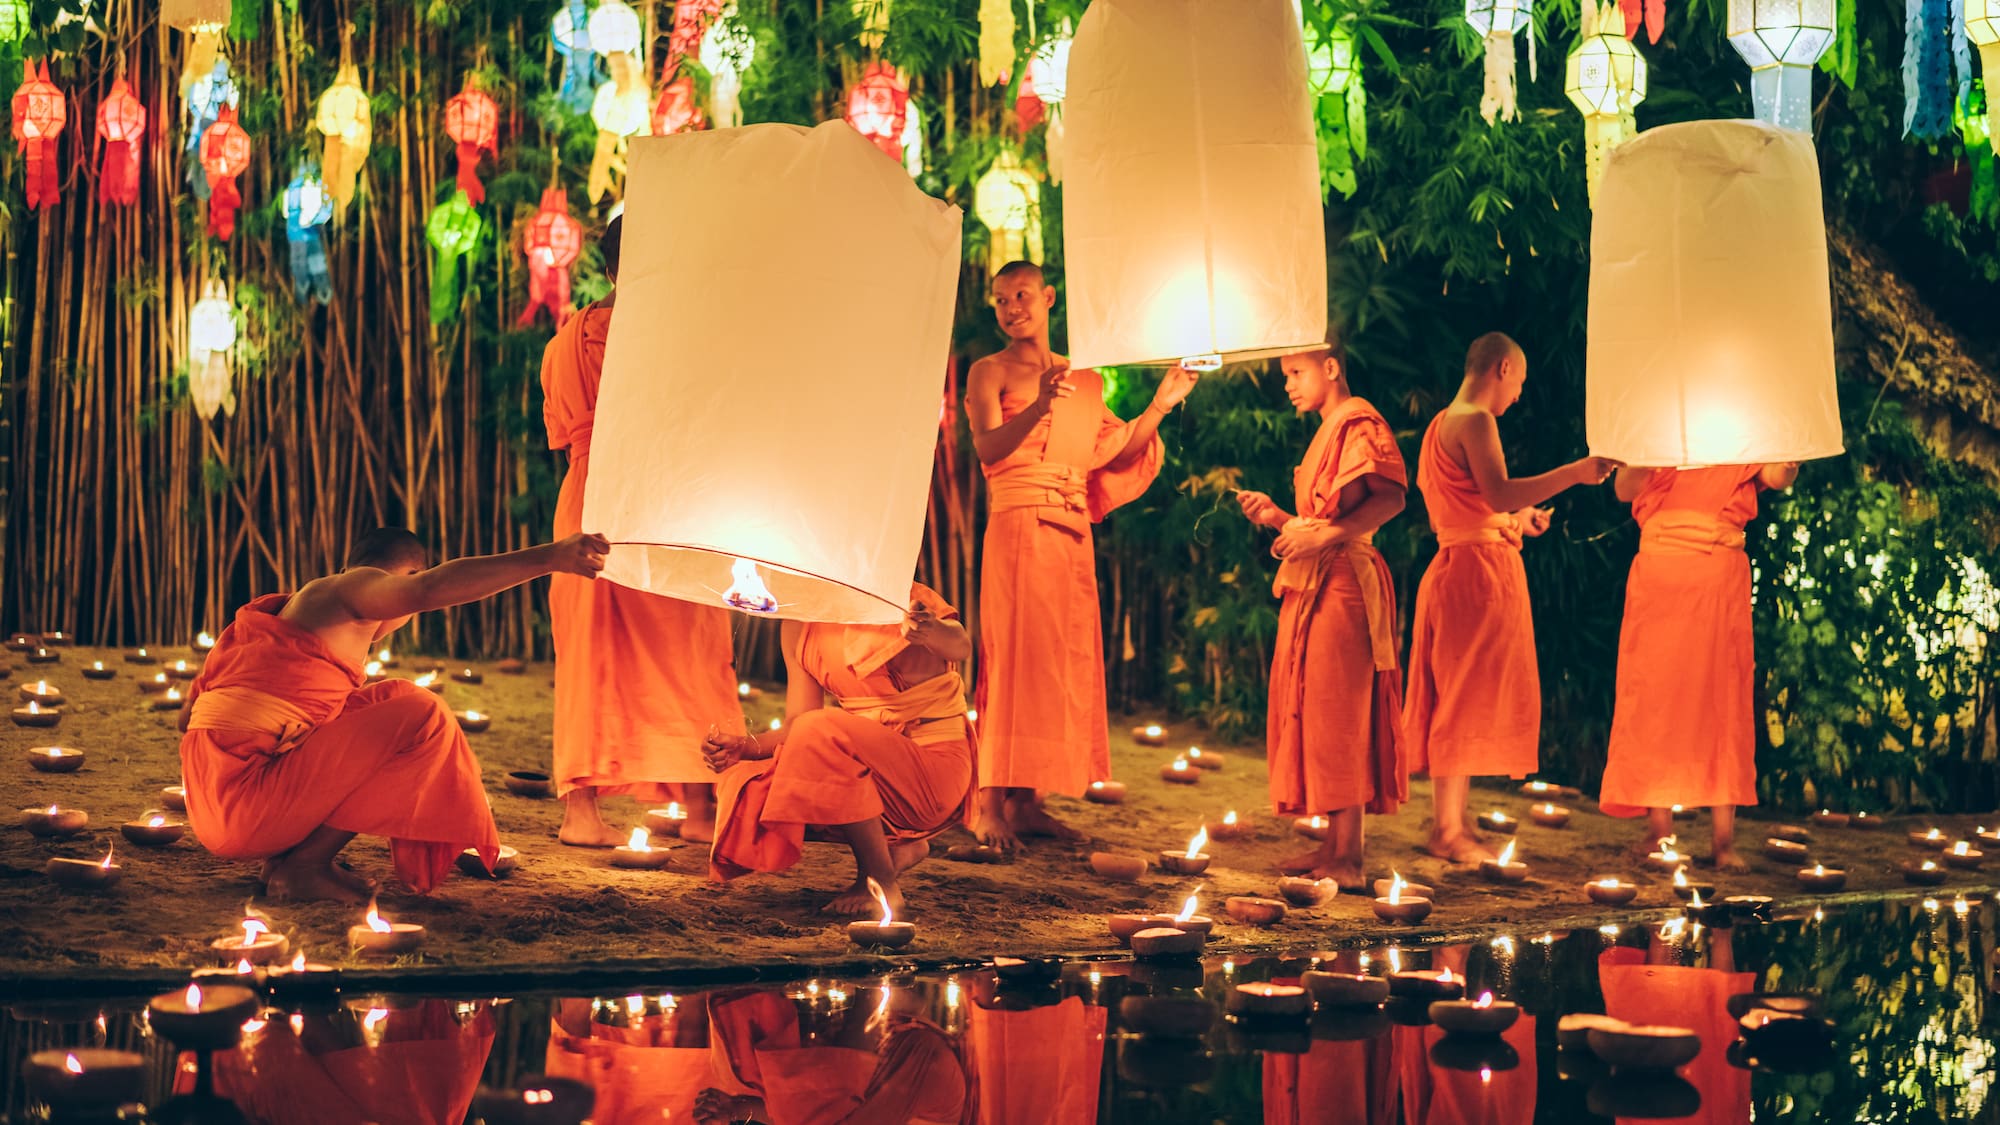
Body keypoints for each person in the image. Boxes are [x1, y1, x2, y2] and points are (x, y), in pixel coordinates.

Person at [179, 527, 609, 901]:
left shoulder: (277, 620)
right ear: (397, 576)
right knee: (421, 715)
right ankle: (304, 866)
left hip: (216, 804)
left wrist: (281, 730)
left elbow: (190, 718)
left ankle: (286, 861)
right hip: (242, 806)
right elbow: (427, 591)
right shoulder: (346, 590)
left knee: (380, 701)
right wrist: (550, 557)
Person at [965, 260, 1198, 851]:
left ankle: (1028, 801)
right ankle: (989, 804)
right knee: (1013, 654)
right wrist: (1040, 406)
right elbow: (989, 448)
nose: (1011, 308)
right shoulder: (987, 372)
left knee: (1055, 662)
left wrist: (1162, 404)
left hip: (1069, 530)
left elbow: (1116, 453)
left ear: (1047, 298)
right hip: (1018, 522)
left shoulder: (1083, 378)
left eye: (1021, 295)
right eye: (1000, 301)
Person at [542, 216, 746, 847]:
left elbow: (560, 433)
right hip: (659, 491)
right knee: (690, 643)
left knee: (591, 651)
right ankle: (699, 805)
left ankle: (585, 811)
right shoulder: (664, 336)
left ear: (603, 268)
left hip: (588, 494)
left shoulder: (563, 343)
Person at [1402, 332, 1618, 863]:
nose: (1518, 395)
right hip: (1473, 576)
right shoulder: (1475, 419)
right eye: (1518, 382)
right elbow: (1496, 489)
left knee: (1463, 693)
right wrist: (1574, 473)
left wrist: (1511, 520)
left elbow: (1476, 503)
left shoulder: (1439, 424)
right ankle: (1446, 829)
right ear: (1501, 368)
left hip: (1461, 565)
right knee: (1458, 698)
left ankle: (1454, 820)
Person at [1237, 338, 1408, 888]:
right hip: (1321, 577)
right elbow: (1321, 525)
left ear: (1331, 367)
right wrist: (1277, 518)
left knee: (1341, 712)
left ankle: (1351, 859)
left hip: (1347, 584)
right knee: (1318, 708)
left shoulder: (1360, 422)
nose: (1288, 384)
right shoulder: (1330, 428)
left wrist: (1325, 536)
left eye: (1296, 371)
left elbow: (1391, 498)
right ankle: (1333, 846)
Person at [703, 585, 975, 916]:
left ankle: (879, 880)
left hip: (933, 768)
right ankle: (900, 847)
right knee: (754, 782)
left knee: (819, 729)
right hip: (871, 765)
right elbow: (797, 724)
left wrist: (932, 630)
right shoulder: (799, 622)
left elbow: (959, 645)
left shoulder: (895, 594)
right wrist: (745, 747)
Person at [1599, 462, 1799, 872]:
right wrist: (1649, 451)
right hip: (1661, 568)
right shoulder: (1657, 422)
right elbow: (1623, 488)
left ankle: (1723, 842)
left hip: (1718, 572)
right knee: (1655, 697)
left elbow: (1776, 476)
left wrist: (1790, 460)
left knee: (1722, 700)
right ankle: (1660, 832)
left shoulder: (1741, 423)